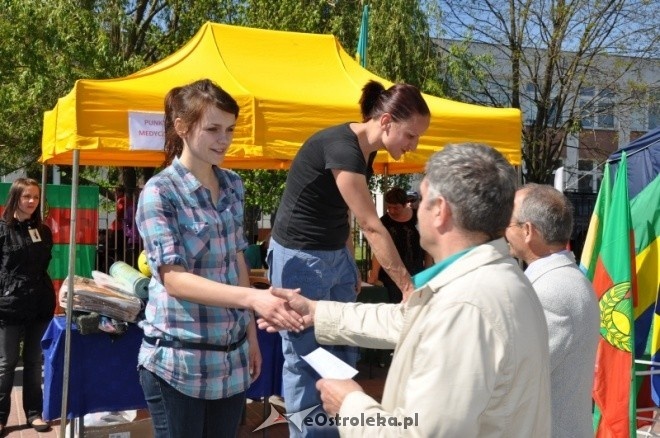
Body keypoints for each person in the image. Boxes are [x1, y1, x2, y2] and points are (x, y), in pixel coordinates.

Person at [261, 144, 552, 437]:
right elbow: (408, 320)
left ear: (440, 211)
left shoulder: (467, 306)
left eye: (421, 199)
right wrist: (316, 312)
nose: (415, 209)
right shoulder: (487, 282)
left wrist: (349, 404)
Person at [135, 79, 303, 438]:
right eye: (212, 129)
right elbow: (174, 279)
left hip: (230, 359)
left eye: (229, 129)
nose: (224, 139)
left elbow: (235, 260)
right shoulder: (159, 192)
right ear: (181, 127)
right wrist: (254, 298)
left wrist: (251, 338)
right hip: (179, 361)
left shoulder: (233, 185)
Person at [268, 80, 431, 437]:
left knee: (345, 342)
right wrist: (407, 287)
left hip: (330, 255)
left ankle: (344, 426)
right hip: (300, 257)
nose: (413, 146)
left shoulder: (363, 150)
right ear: (386, 122)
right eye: (410, 136)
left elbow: (339, 210)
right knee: (308, 356)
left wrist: (344, 259)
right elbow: (371, 226)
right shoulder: (343, 149)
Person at [505, 183, 599, 438]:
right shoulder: (564, 280)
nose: (504, 230)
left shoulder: (550, 290)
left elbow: (516, 379)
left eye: (508, 222)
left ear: (527, 231)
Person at [0, 178, 55, 434]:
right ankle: (1, 417)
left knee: (34, 362)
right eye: (26, 197)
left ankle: (34, 413)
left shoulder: (42, 230)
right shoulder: (2, 229)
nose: (32, 201)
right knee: (6, 363)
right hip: (8, 305)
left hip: (39, 304)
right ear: (15, 198)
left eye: (35, 196)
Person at [366, 187, 429, 303]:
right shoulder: (384, 223)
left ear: (405, 204)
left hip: (416, 272)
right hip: (391, 276)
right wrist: (374, 273)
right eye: (389, 207)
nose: (392, 211)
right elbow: (379, 249)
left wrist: (429, 270)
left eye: (396, 208)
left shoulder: (419, 218)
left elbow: (428, 246)